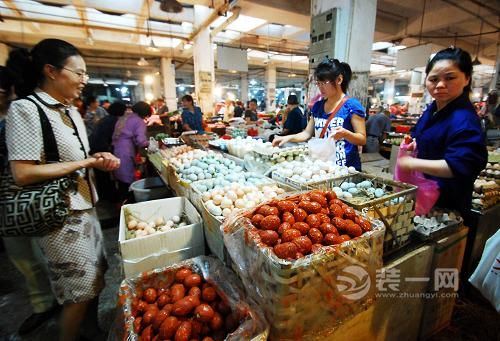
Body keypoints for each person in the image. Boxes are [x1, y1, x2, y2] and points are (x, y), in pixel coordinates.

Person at [5, 39, 120, 341]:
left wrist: (96, 159)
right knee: (77, 293)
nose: (85, 81)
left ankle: (90, 331)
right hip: (60, 217)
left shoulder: (69, 112)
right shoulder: (27, 109)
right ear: (51, 71)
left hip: (85, 206)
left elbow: (73, 159)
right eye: (79, 73)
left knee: (95, 280)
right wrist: (84, 162)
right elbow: (23, 172)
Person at [397, 47, 487, 223]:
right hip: (424, 195)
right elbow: (420, 134)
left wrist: (413, 163)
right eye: (434, 79)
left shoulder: (464, 119)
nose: (440, 85)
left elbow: (460, 165)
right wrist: (414, 144)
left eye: (450, 78)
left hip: (447, 205)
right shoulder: (432, 109)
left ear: (466, 78)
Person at [273, 58, 366, 170]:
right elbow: (307, 133)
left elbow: (362, 138)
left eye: (324, 83)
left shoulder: (351, 106)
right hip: (322, 166)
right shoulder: (318, 106)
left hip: (345, 168)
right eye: (318, 83)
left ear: (339, 79)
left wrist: (346, 134)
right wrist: (287, 138)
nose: (320, 87)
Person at [112, 101, 151, 200]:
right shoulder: (139, 121)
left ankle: (121, 202)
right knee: (127, 179)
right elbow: (141, 141)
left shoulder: (124, 117)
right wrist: (152, 144)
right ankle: (128, 202)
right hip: (126, 151)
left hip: (116, 149)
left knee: (121, 179)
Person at [90, 101, 126, 202]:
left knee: (102, 176)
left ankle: (105, 197)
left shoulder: (106, 119)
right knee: (105, 175)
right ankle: (110, 198)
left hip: (94, 148)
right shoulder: (115, 121)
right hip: (101, 150)